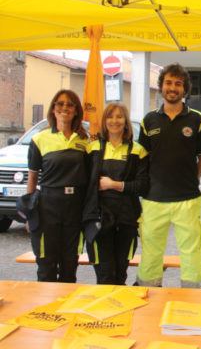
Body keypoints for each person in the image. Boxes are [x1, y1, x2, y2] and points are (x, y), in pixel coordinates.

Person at [136, 63, 201, 288]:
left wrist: (191, 179)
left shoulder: (198, 120)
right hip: (153, 199)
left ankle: (194, 294)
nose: (173, 88)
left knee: (191, 251)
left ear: (185, 89)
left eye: (178, 84)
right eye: (168, 82)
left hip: (187, 199)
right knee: (150, 251)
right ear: (161, 87)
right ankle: (147, 290)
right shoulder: (148, 120)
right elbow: (142, 158)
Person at [26, 89, 89, 282]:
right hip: (48, 207)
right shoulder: (39, 139)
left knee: (70, 267)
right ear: (53, 109)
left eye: (70, 105)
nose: (65, 108)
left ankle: (65, 311)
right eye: (60, 104)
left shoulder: (85, 141)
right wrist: (30, 213)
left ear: (76, 111)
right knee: (46, 267)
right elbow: (33, 178)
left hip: (75, 209)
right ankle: (46, 311)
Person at [83, 103, 148, 285]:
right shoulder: (92, 149)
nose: (114, 121)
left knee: (120, 274)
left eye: (119, 117)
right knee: (105, 275)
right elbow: (85, 184)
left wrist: (114, 184)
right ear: (104, 121)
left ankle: (121, 311)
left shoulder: (138, 150)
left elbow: (142, 186)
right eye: (110, 117)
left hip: (127, 220)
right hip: (99, 220)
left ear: (126, 122)